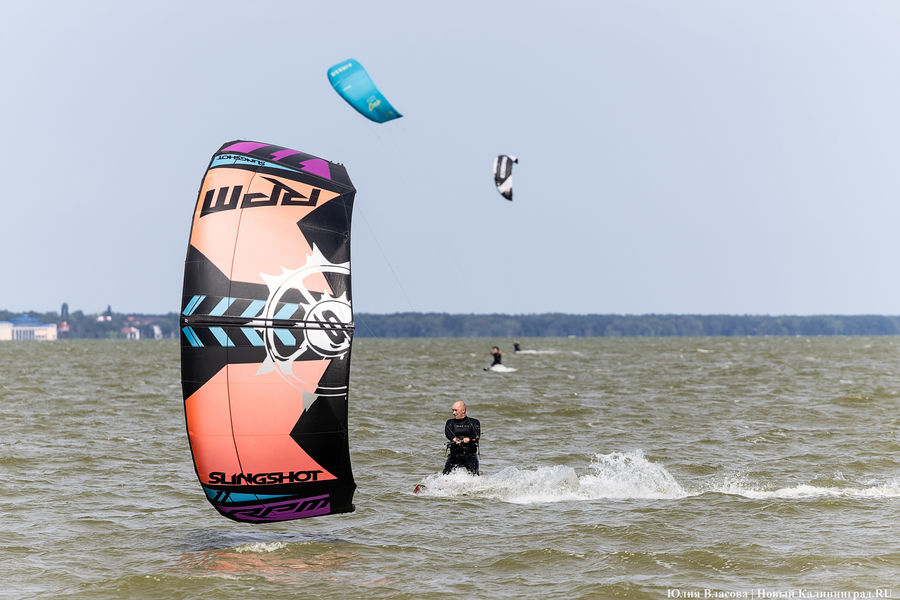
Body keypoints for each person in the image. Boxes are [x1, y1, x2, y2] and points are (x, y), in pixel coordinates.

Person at [443, 401, 481, 475]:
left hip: (470, 454)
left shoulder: (474, 422)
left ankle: (476, 484)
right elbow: (448, 434)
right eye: (453, 410)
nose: (454, 413)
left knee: (474, 473)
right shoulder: (450, 422)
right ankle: (442, 484)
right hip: (455, 454)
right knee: (446, 472)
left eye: (456, 410)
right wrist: (455, 439)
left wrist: (468, 439)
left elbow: (477, 436)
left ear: (463, 410)